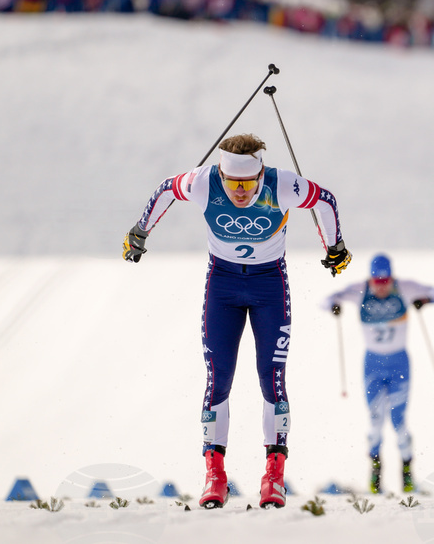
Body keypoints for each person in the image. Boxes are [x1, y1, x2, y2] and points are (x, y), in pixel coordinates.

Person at [122, 133, 351, 509]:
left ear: (260, 174)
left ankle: (273, 478)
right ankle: (215, 476)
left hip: (268, 285)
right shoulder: (202, 181)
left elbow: (325, 201)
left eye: (248, 184)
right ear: (222, 176)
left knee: (271, 378)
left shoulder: (283, 184)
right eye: (232, 184)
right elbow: (166, 189)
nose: (240, 192)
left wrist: (335, 247)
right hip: (224, 285)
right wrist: (139, 232)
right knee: (218, 377)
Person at [324, 253, 434, 494]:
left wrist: (424, 301)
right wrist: (334, 306)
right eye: (377, 282)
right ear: (371, 279)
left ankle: (407, 473)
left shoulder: (405, 288)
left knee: (399, 422)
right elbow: (327, 299)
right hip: (372, 365)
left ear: (392, 277)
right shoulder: (360, 290)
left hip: (399, 363)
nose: (381, 287)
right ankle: (376, 475)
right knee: (375, 420)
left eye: (385, 281)